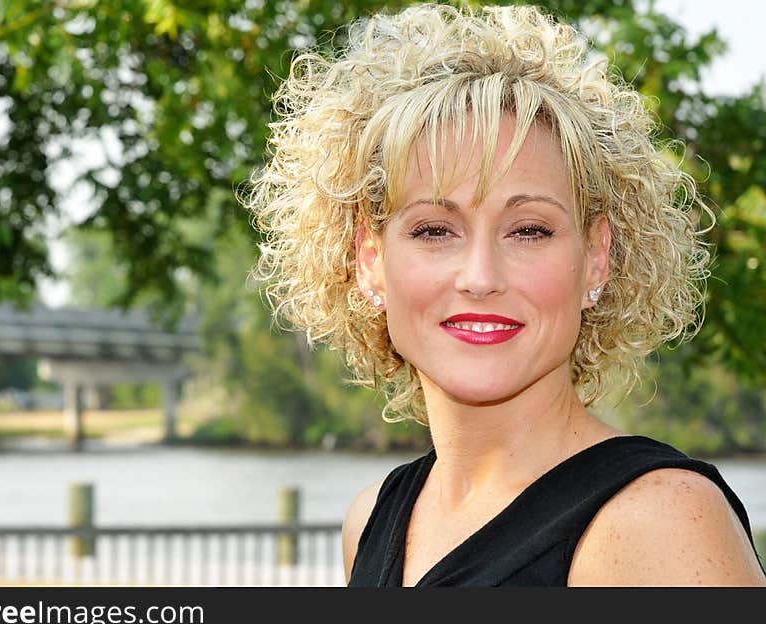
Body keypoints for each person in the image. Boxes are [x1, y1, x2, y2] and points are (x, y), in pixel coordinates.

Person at [244, 3, 766, 586]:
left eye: (529, 230)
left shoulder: (659, 523)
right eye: (435, 230)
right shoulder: (370, 521)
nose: (480, 275)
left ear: (596, 257)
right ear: (370, 260)